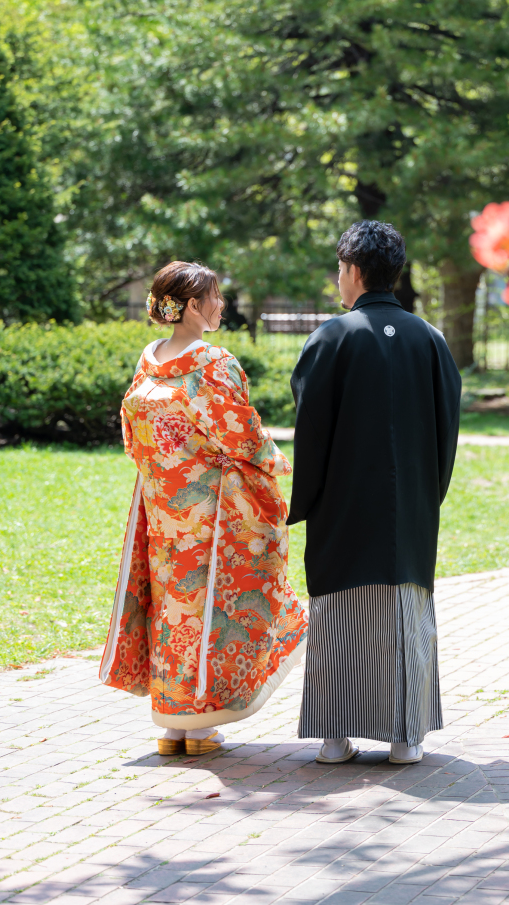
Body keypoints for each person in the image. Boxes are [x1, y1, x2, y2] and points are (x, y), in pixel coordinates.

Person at [100, 261, 307, 756]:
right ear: (192, 306)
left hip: (162, 507)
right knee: (211, 605)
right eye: (214, 298)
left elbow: (134, 439)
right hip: (212, 508)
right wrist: (274, 462)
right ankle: (198, 724)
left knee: (171, 608)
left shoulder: (147, 363)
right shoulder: (213, 363)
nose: (221, 306)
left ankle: (172, 727)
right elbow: (241, 434)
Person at [288, 221, 462, 765]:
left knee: (339, 618)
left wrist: (304, 501)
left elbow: (310, 431)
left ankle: (335, 736)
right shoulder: (430, 339)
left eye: (341, 269)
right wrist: (425, 495)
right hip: (410, 508)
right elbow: (447, 430)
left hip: (343, 507)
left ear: (354, 271)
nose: (339, 279)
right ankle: (405, 737)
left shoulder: (332, 338)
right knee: (406, 619)